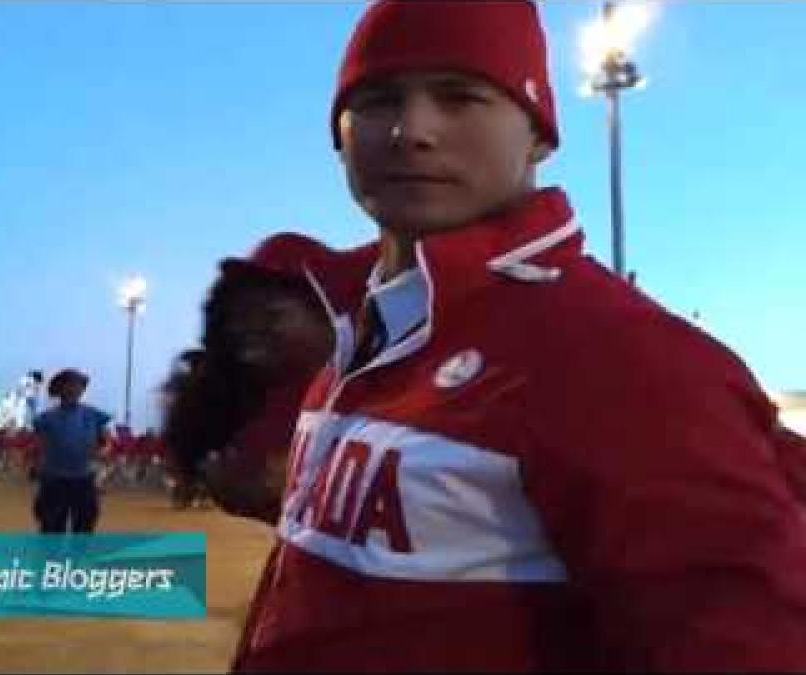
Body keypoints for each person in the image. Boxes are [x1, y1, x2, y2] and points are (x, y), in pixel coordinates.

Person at [227, 2, 806, 671]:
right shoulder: (364, 329)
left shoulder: (617, 352)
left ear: (538, 135)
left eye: (458, 97)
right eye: (380, 99)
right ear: (339, 132)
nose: (412, 130)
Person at [162, 234, 373, 522]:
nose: (249, 328)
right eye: (238, 318)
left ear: (326, 313)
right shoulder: (254, 414)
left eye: (271, 315)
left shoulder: (396, 367)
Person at [31, 368, 112, 534]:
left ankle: (79, 559)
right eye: (71, 385)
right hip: (54, 480)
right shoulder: (45, 418)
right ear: (59, 389)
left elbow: (106, 441)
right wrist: (37, 467)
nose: (76, 389)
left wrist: (103, 451)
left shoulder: (93, 415)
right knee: (51, 529)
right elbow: (39, 446)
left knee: (84, 527)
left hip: (84, 480)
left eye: (80, 386)